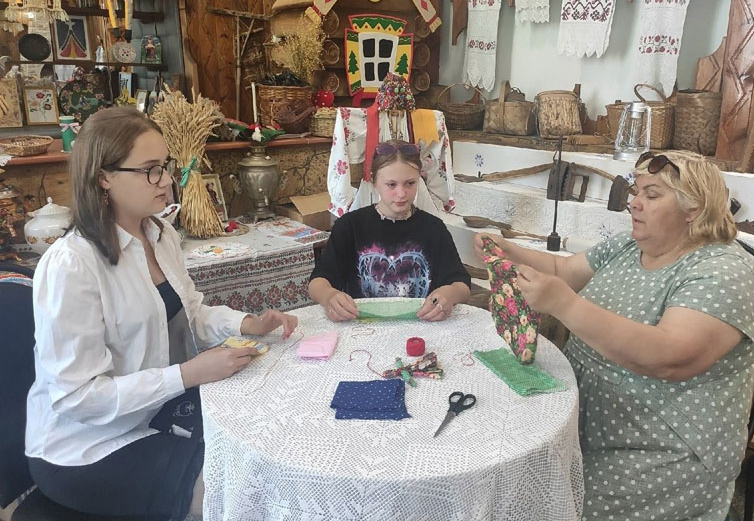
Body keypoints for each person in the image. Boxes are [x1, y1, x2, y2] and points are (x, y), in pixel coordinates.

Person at [26, 108, 298, 521]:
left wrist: (247, 324)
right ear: (103, 177)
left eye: (165, 166)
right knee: (235, 491)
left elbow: (189, 313)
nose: (168, 180)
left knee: (265, 441)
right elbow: (76, 397)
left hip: (155, 411)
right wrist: (186, 375)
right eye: (150, 170)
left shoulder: (160, 233)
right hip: (86, 446)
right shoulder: (72, 265)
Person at [474, 150, 754, 521]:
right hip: (585, 417)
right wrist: (508, 250)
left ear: (693, 208)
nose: (634, 204)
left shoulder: (725, 272)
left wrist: (565, 305)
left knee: (543, 502)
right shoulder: (630, 245)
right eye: (636, 192)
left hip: (661, 445)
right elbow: (562, 272)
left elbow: (671, 357)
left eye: (652, 195)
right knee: (505, 469)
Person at [310, 140, 471, 322]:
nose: (401, 193)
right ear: (374, 181)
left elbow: (462, 285)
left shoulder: (434, 228)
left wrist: (450, 293)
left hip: (421, 326)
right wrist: (329, 296)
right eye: (391, 185)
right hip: (362, 327)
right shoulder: (350, 226)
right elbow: (318, 282)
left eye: (410, 183)